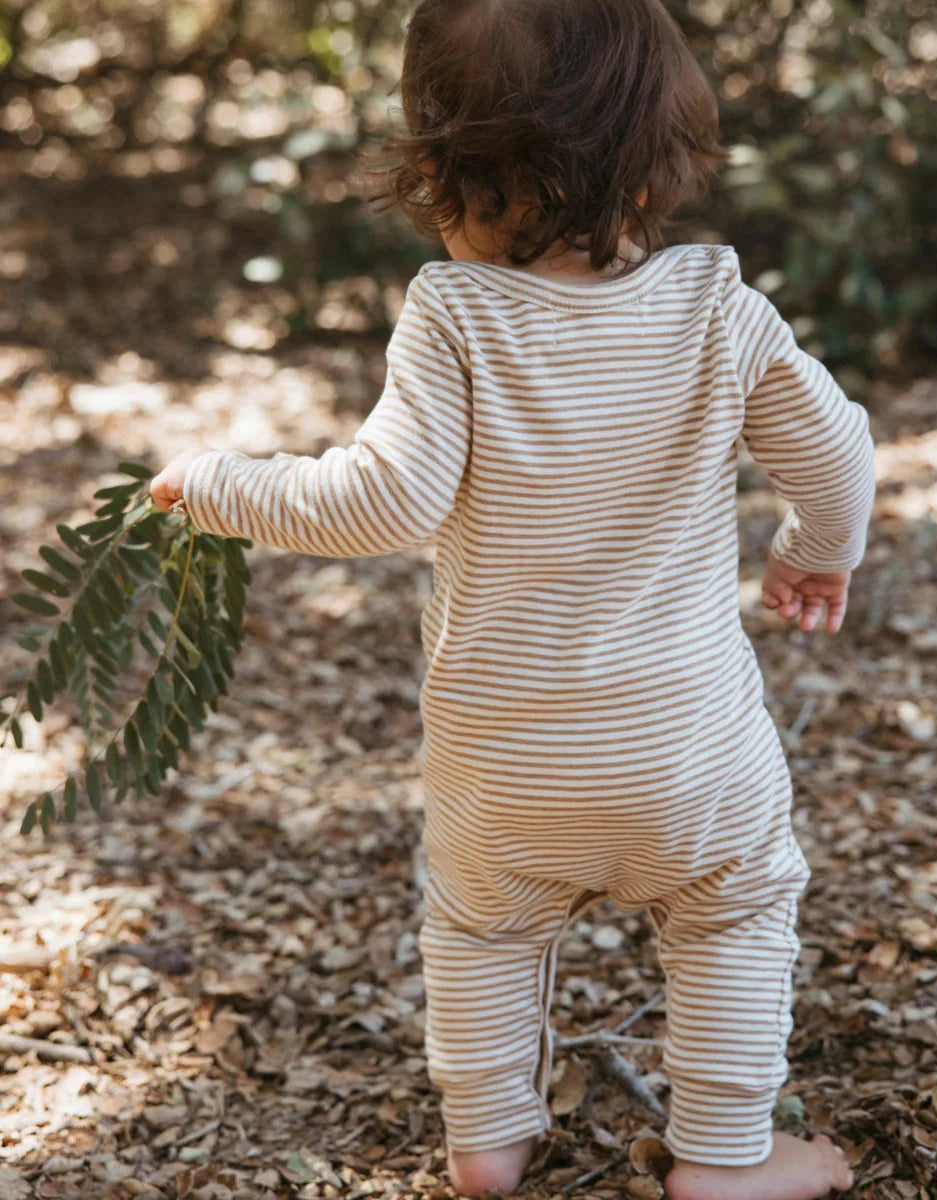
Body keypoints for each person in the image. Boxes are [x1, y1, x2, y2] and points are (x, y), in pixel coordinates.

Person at [151, 1, 874, 1196]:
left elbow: (380, 504)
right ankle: (726, 1157)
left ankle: (489, 1138)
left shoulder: (456, 315)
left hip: (506, 765)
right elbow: (838, 453)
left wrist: (224, 485)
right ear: (657, 176)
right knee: (734, 914)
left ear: (439, 176)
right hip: (689, 752)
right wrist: (814, 550)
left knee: (483, 930)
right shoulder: (718, 313)